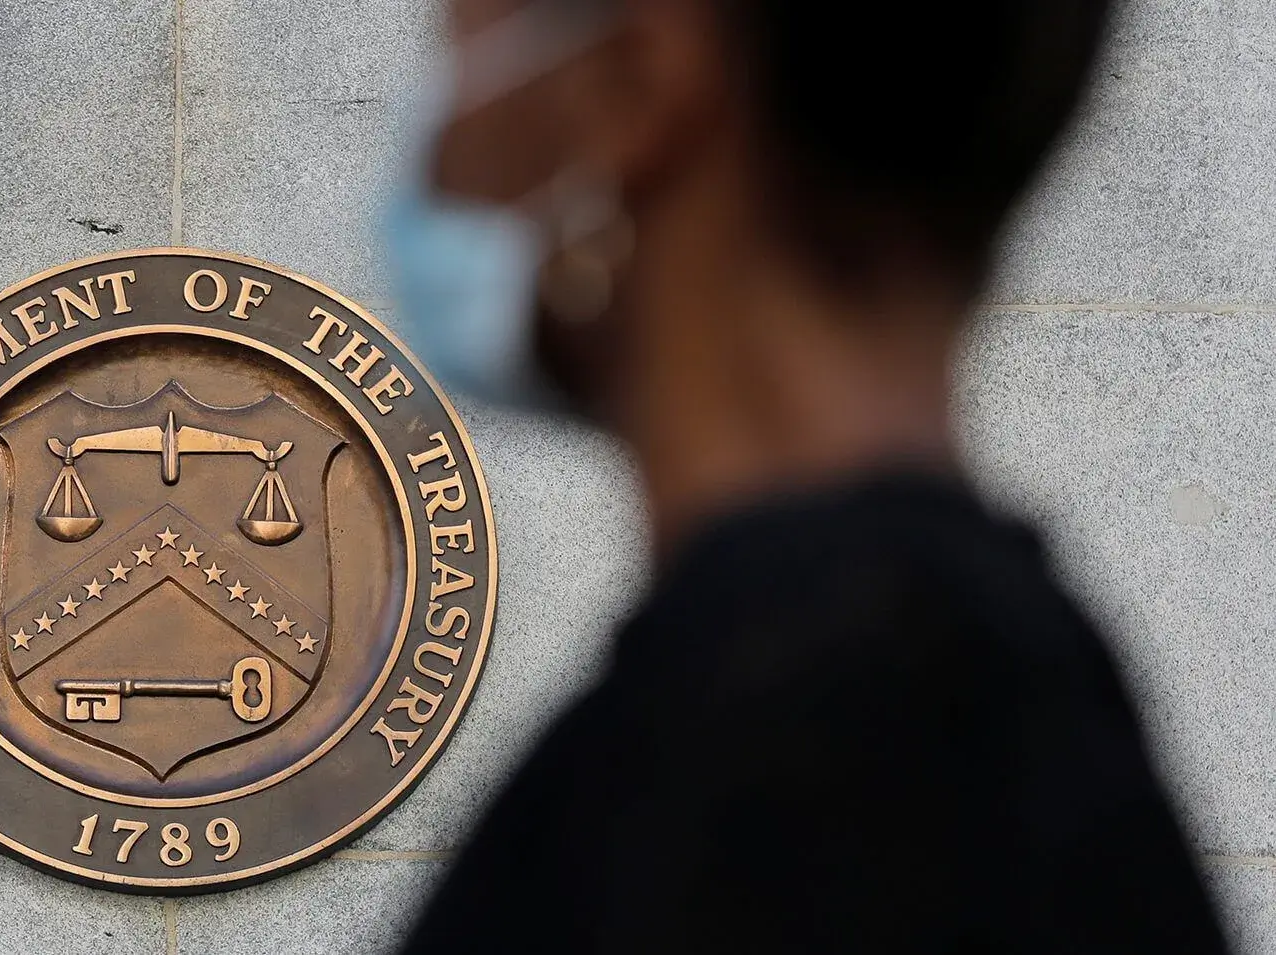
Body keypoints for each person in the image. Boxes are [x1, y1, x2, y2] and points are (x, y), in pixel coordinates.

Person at [383, 0, 1228, 950]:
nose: (439, 137)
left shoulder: (816, 745)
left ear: (636, 83)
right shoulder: (960, 689)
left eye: (463, 48)